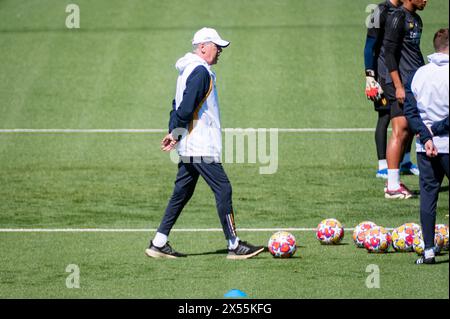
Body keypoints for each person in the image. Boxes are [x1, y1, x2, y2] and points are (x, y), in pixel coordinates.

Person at [145, 27, 264, 260]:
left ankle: (158, 242)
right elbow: (186, 108)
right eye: (216, 46)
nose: (219, 51)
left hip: (190, 144)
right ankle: (234, 245)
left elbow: (176, 105)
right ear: (202, 47)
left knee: (182, 192)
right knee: (223, 188)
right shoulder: (200, 71)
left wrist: (174, 132)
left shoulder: (188, 70)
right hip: (200, 145)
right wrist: (176, 133)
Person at [404, 28, 449, 264]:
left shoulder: (418, 74)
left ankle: (429, 251)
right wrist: (438, 131)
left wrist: (427, 136)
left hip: (425, 148)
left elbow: (410, 111)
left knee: (428, 197)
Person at [364, 0, 419, 180]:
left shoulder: (408, 13)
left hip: (401, 71)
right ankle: (382, 165)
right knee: (385, 115)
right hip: (383, 73)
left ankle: (405, 161)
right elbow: (369, 45)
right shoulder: (380, 11)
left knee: (407, 115)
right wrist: (370, 77)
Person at [381, 0, 427, 199]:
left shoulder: (416, 19)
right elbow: (389, 54)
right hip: (398, 82)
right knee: (400, 130)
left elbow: (413, 52)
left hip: (413, 81)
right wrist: (398, 86)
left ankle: (395, 181)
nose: (426, 0)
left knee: (407, 130)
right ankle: (392, 186)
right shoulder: (397, 17)